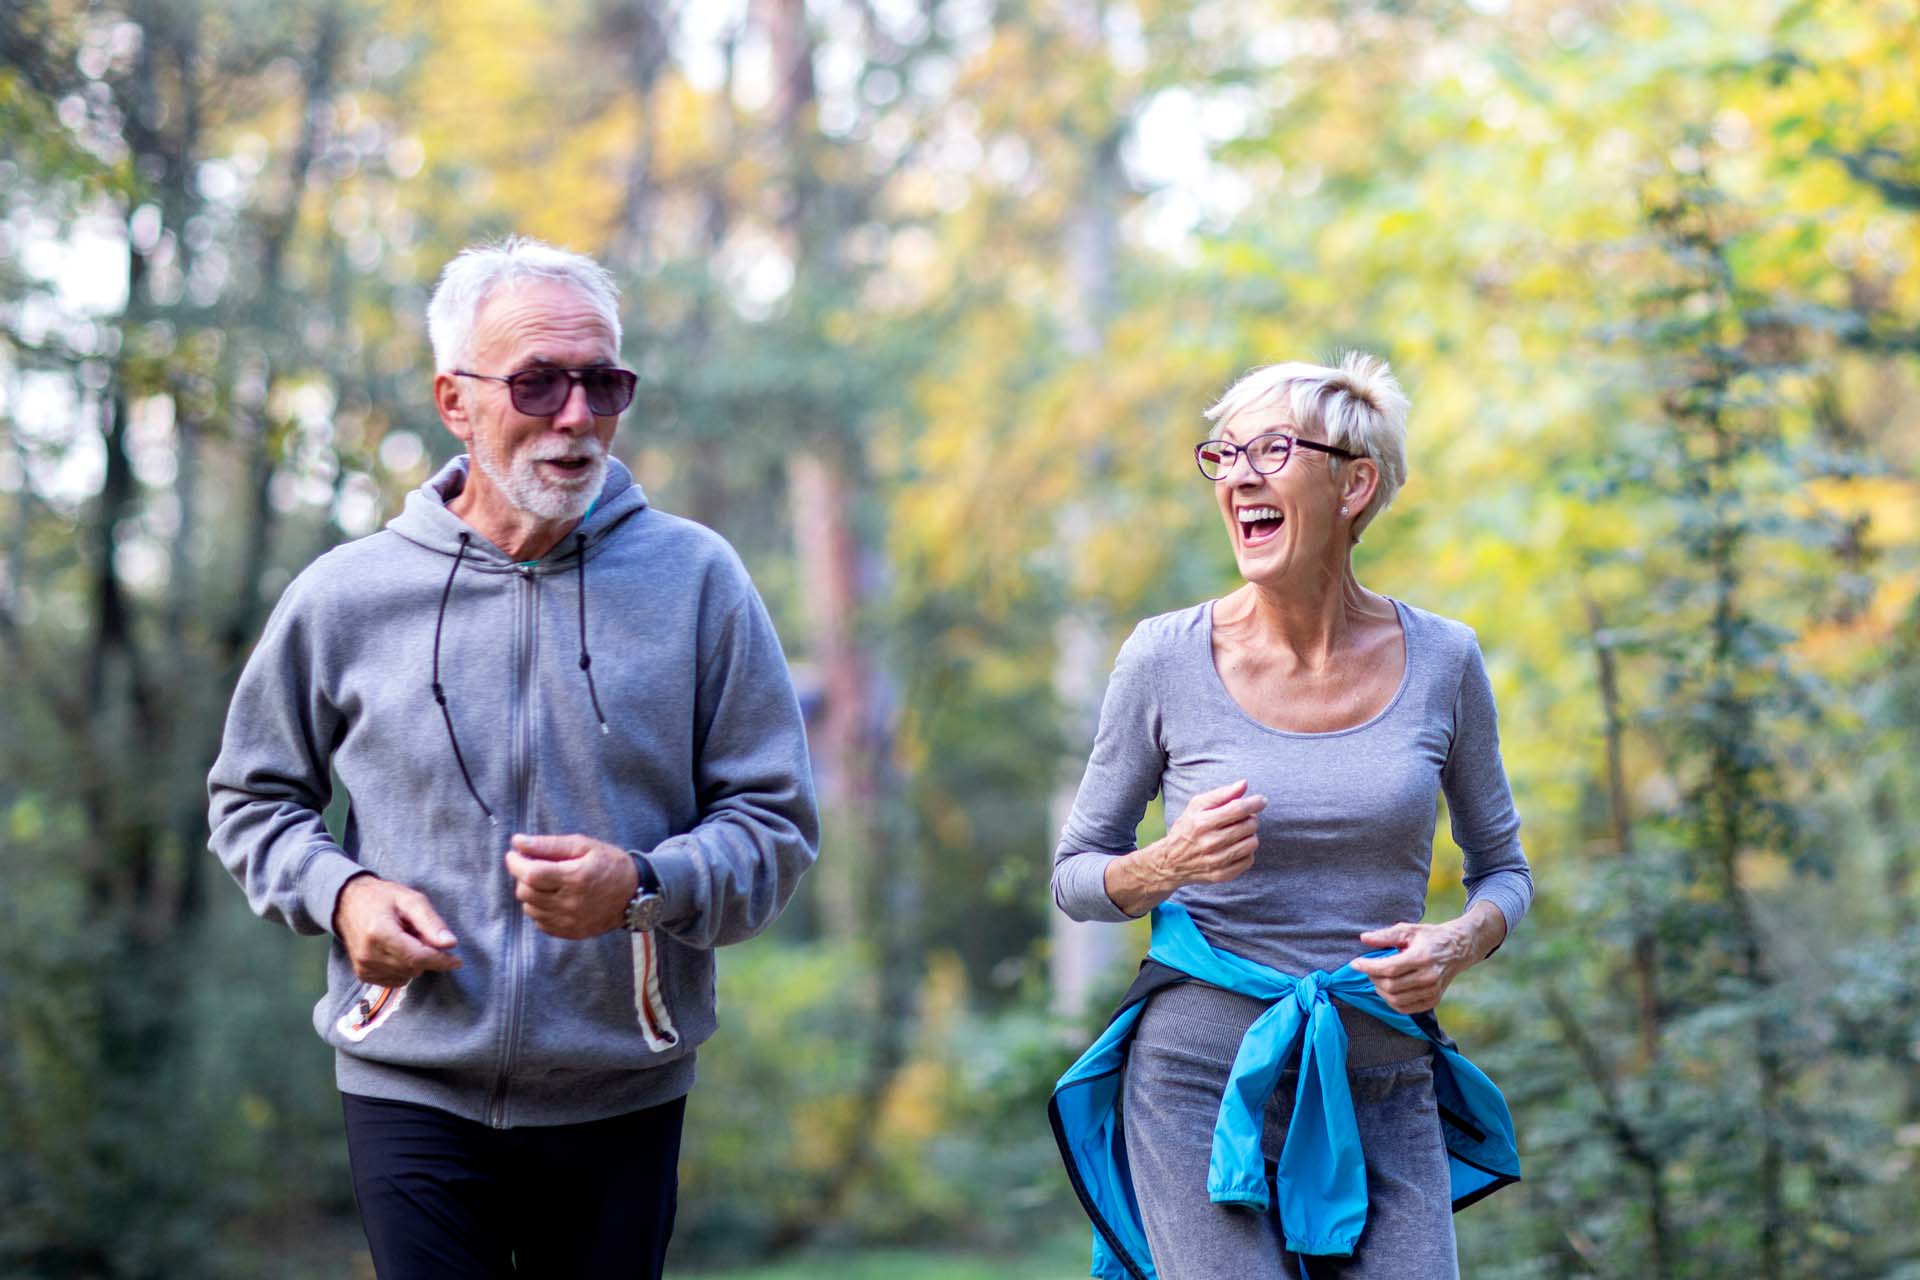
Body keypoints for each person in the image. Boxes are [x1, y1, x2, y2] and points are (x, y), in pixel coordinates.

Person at [207, 236, 818, 1279]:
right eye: (537, 383)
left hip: (622, 1085)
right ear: (457, 399)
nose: (576, 417)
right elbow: (252, 799)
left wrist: (645, 884)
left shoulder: (698, 579)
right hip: (411, 1078)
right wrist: (345, 893)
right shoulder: (347, 595)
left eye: (603, 383)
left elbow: (776, 824)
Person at [1048, 353, 1533, 1279]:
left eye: (1271, 450)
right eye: (1223, 455)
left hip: (1385, 1085)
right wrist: (1168, 865)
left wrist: (1457, 943)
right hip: (1194, 1087)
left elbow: (1504, 871)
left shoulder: (1444, 660)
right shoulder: (1163, 658)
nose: (1238, 475)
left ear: (1355, 483)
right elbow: (1077, 874)